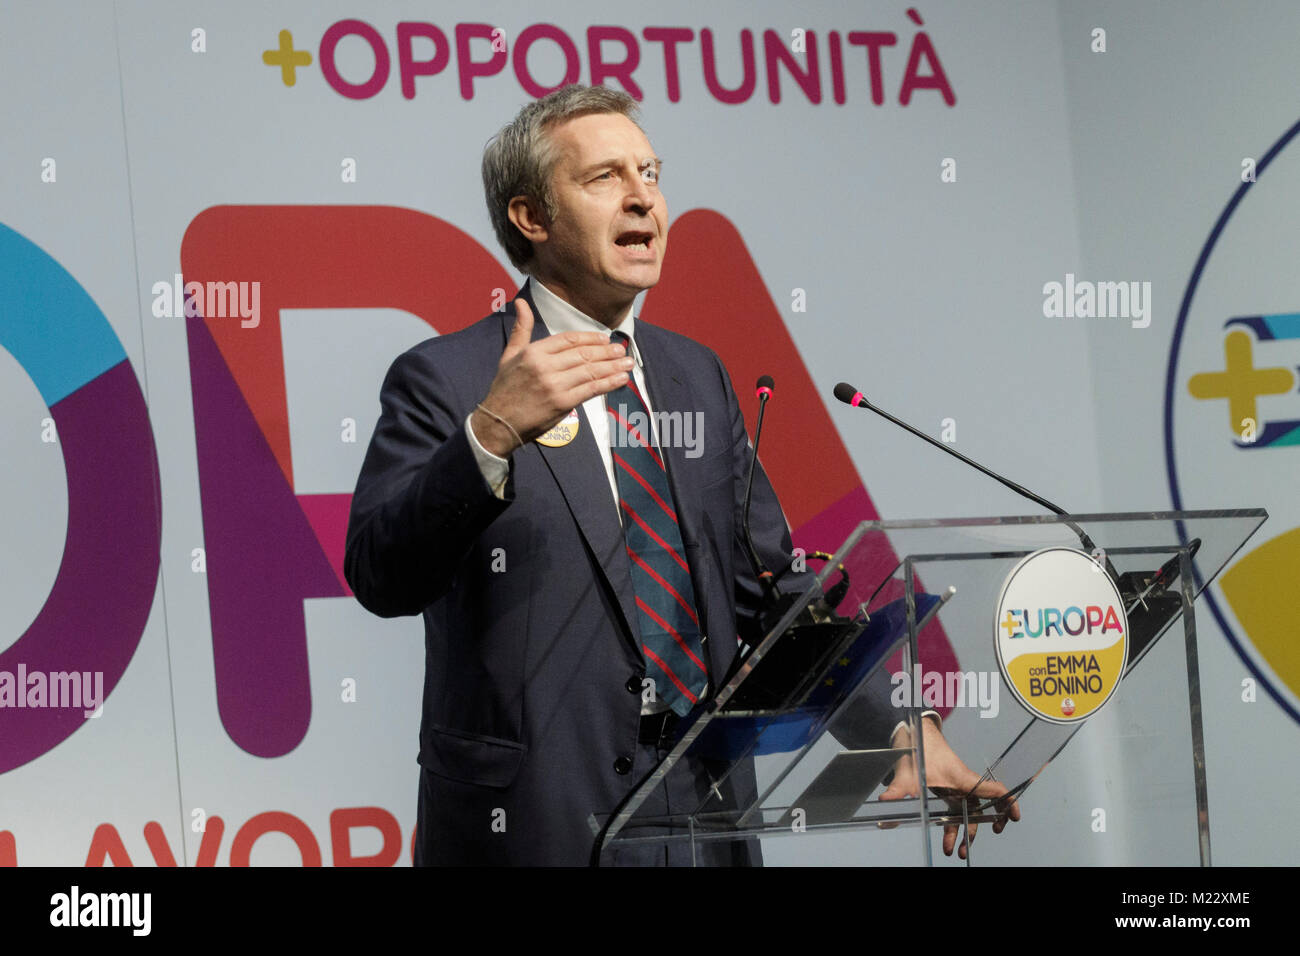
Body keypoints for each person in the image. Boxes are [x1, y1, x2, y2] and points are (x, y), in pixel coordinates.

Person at [345, 84, 1016, 865]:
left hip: (705, 822)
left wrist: (901, 729)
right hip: (536, 828)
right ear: (531, 217)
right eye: (604, 179)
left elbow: (769, 592)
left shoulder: (696, 376)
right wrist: (490, 433)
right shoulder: (449, 379)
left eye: (651, 174)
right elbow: (381, 575)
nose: (643, 201)